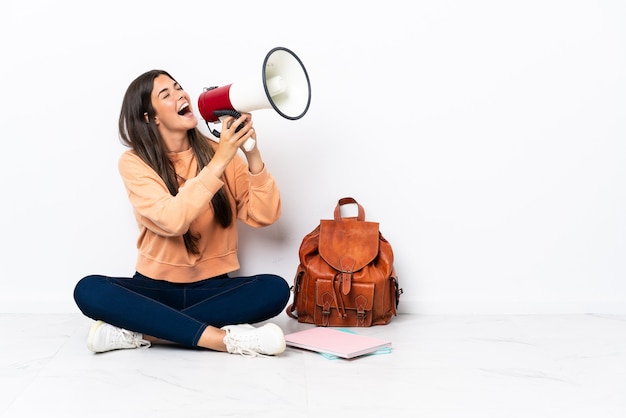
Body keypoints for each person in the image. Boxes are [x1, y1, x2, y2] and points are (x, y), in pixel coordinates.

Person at [73, 69, 291, 357]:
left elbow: (265, 215)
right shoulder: (134, 162)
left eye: (179, 88)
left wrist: (251, 154)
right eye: (167, 94)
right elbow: (172, 219)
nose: (181, 95)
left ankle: (143, 331)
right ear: (151, 118)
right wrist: (221, 159)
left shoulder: (219, 153)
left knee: (275, 289)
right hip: (152, 290)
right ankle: (224, 340)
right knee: (88, 290)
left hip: (214, 289)